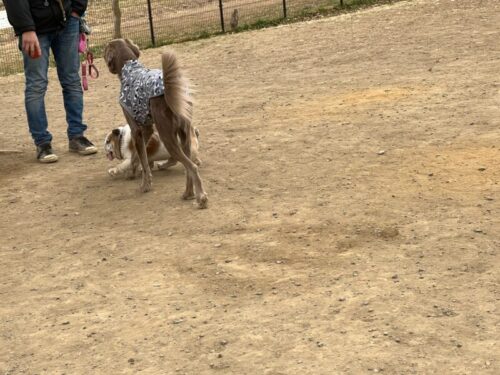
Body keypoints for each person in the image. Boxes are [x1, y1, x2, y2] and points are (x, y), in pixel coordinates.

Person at [3, 0, 97, 163]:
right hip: (35, 28)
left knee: (72, 80)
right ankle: (42, 143)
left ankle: (77, 135)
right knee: (36, 86)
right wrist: (26, 28)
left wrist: (77, 11)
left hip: (68, 21)